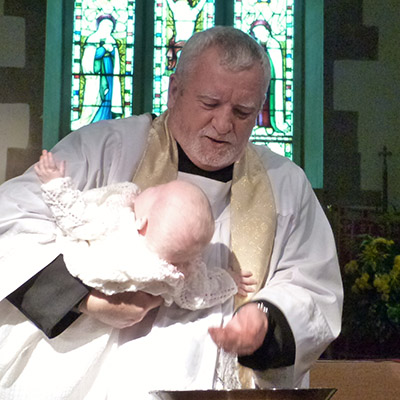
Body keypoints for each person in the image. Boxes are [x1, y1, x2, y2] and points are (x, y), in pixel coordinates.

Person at [0, 26, 343, 399]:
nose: (224, 124)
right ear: (174, 90)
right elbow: (12, 221)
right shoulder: (107, 149)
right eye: (210, 103)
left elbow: (313, 284)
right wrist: (86, 298)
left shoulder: (285, 184)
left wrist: (265, 319)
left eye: (243, 111)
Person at [33, 149, 255, 309]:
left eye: (157, 190)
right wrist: (230, 281)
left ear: (142, 224)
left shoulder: (118, 227)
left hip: (76, 283)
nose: (150, 188)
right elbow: (201, 293)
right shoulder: (178, 272)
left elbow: (76, 218)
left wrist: (54, 183)